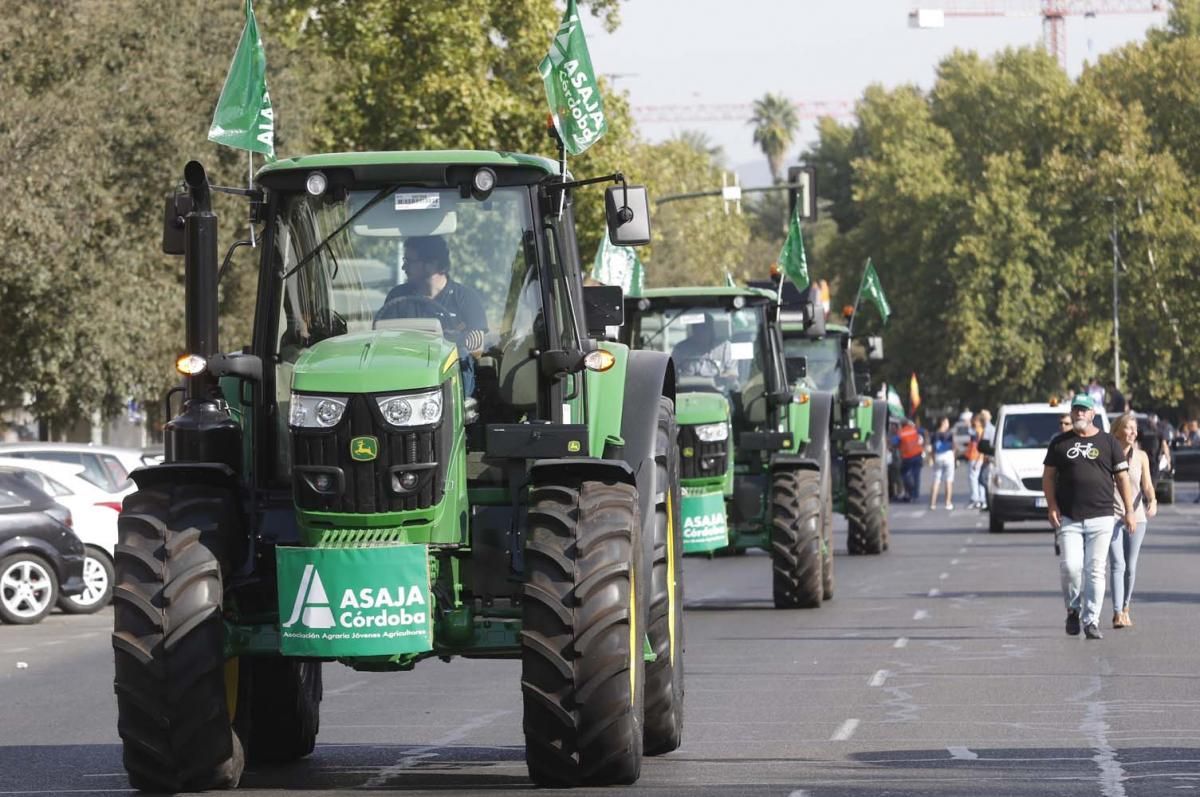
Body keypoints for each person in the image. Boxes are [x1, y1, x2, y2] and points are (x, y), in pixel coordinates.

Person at [1042, 394, 1137, 640]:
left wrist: (1129, 510)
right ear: (1071, 413)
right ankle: (1073, 609)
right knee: (1071, 567)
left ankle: (1091, 620)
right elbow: (1049, 477)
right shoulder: (1059, 443)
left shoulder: (1108, 442)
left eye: (1084, 410)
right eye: (1076, 410)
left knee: (1095, 570)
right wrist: (1052, 505)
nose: (1079, 414)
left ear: (1092, 414)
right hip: (1070, 517)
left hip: (1102, 516)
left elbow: (1123, 478)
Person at [377, 236, 488, 396]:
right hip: (404, 378)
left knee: (463, 358)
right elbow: (384, 342)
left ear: (432, 264)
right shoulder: (397, 298)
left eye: (409, 261)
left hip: (451, 381)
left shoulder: (465, 298)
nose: (403, 267)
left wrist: (453, 342)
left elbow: (477, 347)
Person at [1108, 413, 1156, 629]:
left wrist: (1152, 500)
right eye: (1129, 428)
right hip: (1112, 515)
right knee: (1117, 564)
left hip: (1137, 517)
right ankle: (1118, 612)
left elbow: (1146, 484)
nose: (1134, 432)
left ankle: (1126, 607)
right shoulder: (1107, 453)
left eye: (1135, 429)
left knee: (1130, 565)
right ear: (1117, 430)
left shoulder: (1141, 456)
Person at [672, 315, 735, 382]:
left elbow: (732, 373)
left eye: (705, 328)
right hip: (687, 390)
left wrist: (720, 376)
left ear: (711, 330)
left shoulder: (725, 347)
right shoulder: (680, 349)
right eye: (697, 328)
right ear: (693, 330)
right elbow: (671, 374)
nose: (701, 332)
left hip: (717, 390)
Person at [928, 416, 957, 510]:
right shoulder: (950, 434)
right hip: (948, 456)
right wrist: (954, 458)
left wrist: (932, 458)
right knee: (948, 480)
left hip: (938, 456)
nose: (948, 424)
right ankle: (948, 503)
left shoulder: (934, 434)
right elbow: (954, 447)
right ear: (943, 423)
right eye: (947, 422)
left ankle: (932, 504)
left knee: (936, 479)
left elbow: (932, 449)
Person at [894, 418, 925, 503]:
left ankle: (910, 493)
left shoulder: (901, 433)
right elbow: (923, 433)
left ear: (901, 425)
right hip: (918, 455)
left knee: (904, 474)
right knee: (916, 476)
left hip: (907, 458)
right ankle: (915, 495)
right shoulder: (914, 430)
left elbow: (894, 443)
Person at [966, 414, 987, 509]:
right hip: (974, 457)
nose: (974, 422)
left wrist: (979, 458)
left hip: (976, 457)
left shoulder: (979, 432)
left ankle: (976, 499)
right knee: (978, 480)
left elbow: (981, 447)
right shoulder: (976, 431)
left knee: (974, 479)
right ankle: (981, 499)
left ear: (980, 422)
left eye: (976, 421)